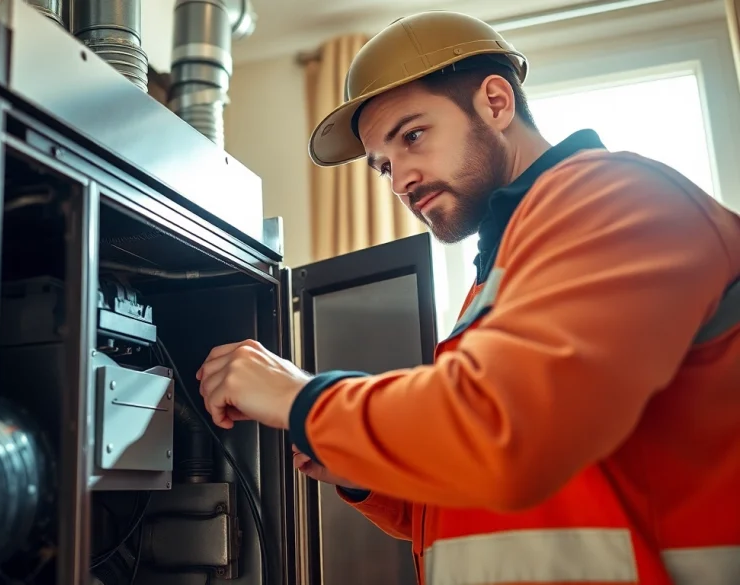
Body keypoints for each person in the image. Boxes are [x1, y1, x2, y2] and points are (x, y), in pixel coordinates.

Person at [194, 10, 740, 585]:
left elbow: (508, 433)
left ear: (496, 103)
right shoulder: (499, 273)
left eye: (413, 136)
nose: (400, 179)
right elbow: (473, 495)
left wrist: (301, 397)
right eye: (384, 165)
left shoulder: (618, 198)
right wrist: (361, 471)